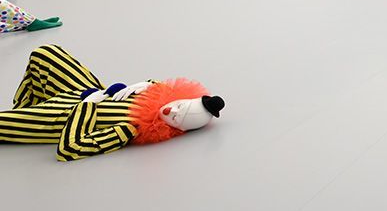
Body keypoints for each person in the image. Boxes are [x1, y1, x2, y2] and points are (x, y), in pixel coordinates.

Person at [0, 44, 224, 161]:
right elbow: (159, 85)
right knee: (45, 53)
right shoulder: (158, 94)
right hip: (88, 90)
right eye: (179, 106)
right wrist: (145, 85)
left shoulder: (128, 129)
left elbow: (70, 149)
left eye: (177, 119)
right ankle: (22, 107)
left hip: (60, 116)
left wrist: (87, 106)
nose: (172, 111)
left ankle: (23, 116)